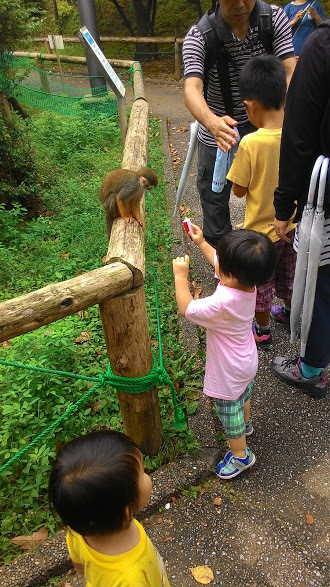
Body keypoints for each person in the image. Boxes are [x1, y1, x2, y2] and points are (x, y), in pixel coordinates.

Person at [182, 0, 296, 248]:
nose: (242, 4)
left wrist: (281, 115)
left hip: (266, 126)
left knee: (276, 194)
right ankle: (223, 268)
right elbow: (192, 88)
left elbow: (290, 70)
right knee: (214, 199)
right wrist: (212, 123)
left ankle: (271, 257)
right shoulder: (199, 35)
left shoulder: (273, 19)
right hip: (219, 129)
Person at [173, 227, 276, 479]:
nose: (217, 262)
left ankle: (241, 456)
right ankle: (247, 425)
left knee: (229, 414)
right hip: (246, 360)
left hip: (228, 370)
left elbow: (186, 308)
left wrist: (180, 276)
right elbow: (222, 264)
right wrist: (201, 242)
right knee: (244, 395)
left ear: (230, 274)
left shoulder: (222, 304)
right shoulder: (248, 285)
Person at [272, 20, 330, 399]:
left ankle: (311, 367)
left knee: (320, 276)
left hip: (327, 191)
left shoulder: (323, 45)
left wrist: (285, 202)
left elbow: (299, 129)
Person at [226, 54, 296, 349]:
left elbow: (239, 191)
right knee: (289, 276)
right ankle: (291, 316)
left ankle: (264, 330)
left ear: (249, 105)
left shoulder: (251, 143)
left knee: (262, 284)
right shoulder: (298, 134)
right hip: (293, 227)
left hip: (261, 234)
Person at [49, 430, 170, 587]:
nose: (147, 475)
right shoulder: (129, 579)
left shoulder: (79, 531)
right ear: (126, 511)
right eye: (142, 473)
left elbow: (79, 564)